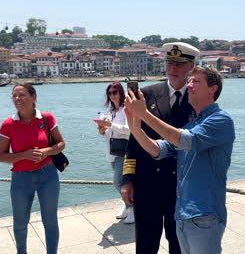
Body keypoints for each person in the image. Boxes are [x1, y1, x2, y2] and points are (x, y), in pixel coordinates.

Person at [124, 67, 234, 254]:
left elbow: (186, 140)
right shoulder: (193, 124)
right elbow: (157, 149)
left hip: (204, 215)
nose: (189, 85)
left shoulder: (220, 120)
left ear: (212, 89)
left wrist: (144, 114)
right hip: (183, 214)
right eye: (190, 81)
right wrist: (135, 124)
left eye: (196, 81)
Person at [120, 42, 199, 254]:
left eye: (179, 64)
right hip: (148, 184)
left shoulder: (198, 99)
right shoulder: (147, 95)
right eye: (169, 63)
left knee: (179, 245)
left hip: (181, 188)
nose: (172, 69)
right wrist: (127, 179)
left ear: (191, 66)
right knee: (146, 243)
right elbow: (133, 142)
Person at [0, 83, 65, 254]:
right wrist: (24, 155)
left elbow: (61, 144)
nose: (17, 99)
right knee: (20, 222)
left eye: (22, 95)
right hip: (21, 179)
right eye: (14, 96)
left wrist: (46, 151)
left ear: (34, 97)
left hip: (48, 176)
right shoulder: (8, 124)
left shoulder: (47, 119)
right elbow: (1, 156)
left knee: (50, 221)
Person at [94, 81, 134, 224]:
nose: (112, 96)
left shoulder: (126, 109)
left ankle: (132, 208)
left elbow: (128, 130)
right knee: (120, 182)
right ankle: (127, 206)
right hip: (112, 151)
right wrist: (102, 129)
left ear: (121, 93)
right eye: (109, 93)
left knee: (119, 182)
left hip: (124, 151)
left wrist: (109, 124)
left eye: (114, 92)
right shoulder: (111, 112)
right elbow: (109, 133)